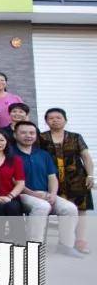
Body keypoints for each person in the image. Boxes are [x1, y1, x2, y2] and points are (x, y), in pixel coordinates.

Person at [14, 121, 83, 257]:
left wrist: (53, 194)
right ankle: (34, 246)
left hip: (45, 194)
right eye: (23, 133)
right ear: (15, 135)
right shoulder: (10, 154)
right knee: (42, 206)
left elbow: (52, 177)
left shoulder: (43, 154)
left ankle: (66, 245)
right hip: (22, 193)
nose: (28, 135)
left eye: (32, 133)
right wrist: (33, 194)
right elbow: (12, 180)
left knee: (70, 208)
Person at [38, 107, 93, 253]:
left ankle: (80, 241)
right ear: (46, 121)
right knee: (59, 209)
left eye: (58, 117)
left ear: (65, 120)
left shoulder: (75, 137)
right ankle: (64, 241)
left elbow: (86, 157)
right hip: (51, 179)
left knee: (81, 209)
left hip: (76, 178)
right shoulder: (41, 137)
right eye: (51, 118)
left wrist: (90, 175)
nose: (55, 120)